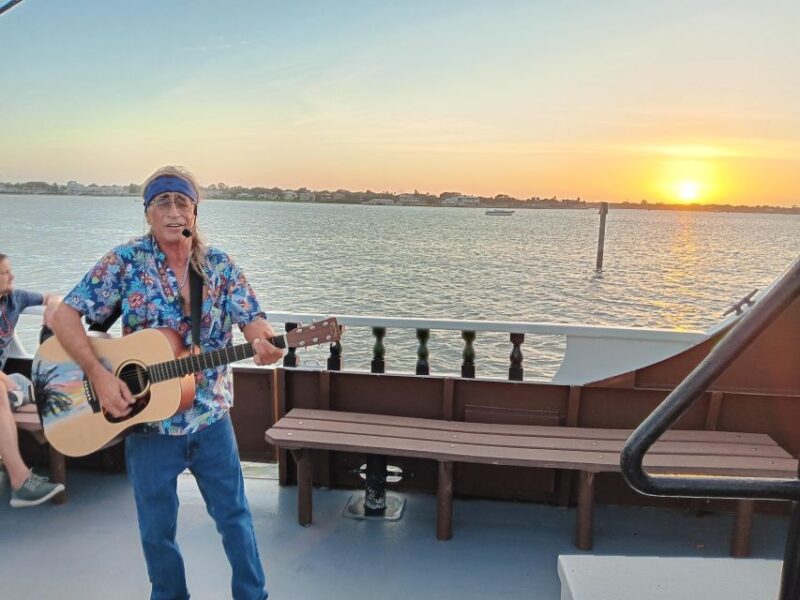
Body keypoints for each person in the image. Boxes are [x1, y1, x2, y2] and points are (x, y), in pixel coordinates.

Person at [50, 166, 283, 600]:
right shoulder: (125, 261)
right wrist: (101, 376)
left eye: (182, 202)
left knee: (235, 518)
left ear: (195, 211)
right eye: (163, 202)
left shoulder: (219, 266)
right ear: (148, 212)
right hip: (148, 424)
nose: (174, 212)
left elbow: (252, 318)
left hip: (210, 416)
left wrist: (263, 340)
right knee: (157, 531)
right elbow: (64, 316)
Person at [0, 252, 66, 507]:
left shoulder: (15, 299)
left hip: (9, 380)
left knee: (23, 385)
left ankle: (12, 396)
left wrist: (52, 307)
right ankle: (21, 481)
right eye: (5, 272)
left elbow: (54, 296)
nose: (12, 276)